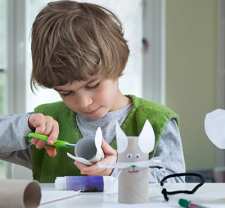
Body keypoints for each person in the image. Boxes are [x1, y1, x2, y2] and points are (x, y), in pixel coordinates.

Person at [27, 0, 185, 183]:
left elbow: (176, 183)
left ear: (119, 64)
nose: (84, 102)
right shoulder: (45, 123)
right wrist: (25, 124)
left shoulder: (157, 122)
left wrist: (119, 169)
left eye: (93, 85)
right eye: (66, 92)